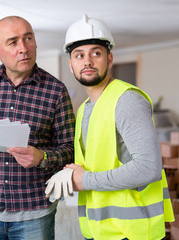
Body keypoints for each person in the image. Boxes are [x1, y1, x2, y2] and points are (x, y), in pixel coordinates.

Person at [0, 16, 75, 240]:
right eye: (13, 42)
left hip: (35, 212)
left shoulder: (56, 91)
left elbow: (70, 148)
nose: (24, 48)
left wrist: (42, 157)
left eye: (28, 38)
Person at [60, 14, 174, 239]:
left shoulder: (126, 100)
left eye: (96, 53)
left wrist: (85, 180)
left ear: (109, 59)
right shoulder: (84, 108)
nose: (88, 61)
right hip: (101, 229)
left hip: (132, 232)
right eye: (79, 55)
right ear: (71, 65)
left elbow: (148, 168)